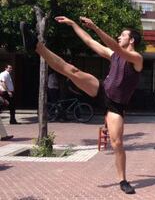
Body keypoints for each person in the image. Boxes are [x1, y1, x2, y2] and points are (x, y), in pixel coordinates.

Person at [20, 16, 143, 194]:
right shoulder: (113, 55)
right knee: (72, 71)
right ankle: (36, 46)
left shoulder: (136, 58)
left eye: (122, 35)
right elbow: (89, 40)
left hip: (116, 106)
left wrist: (96, 26)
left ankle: (123, 180)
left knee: (117, 143)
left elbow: (115, 47)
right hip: (101, 90)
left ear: (131, 40)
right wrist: (73, 24)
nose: (119, 37)